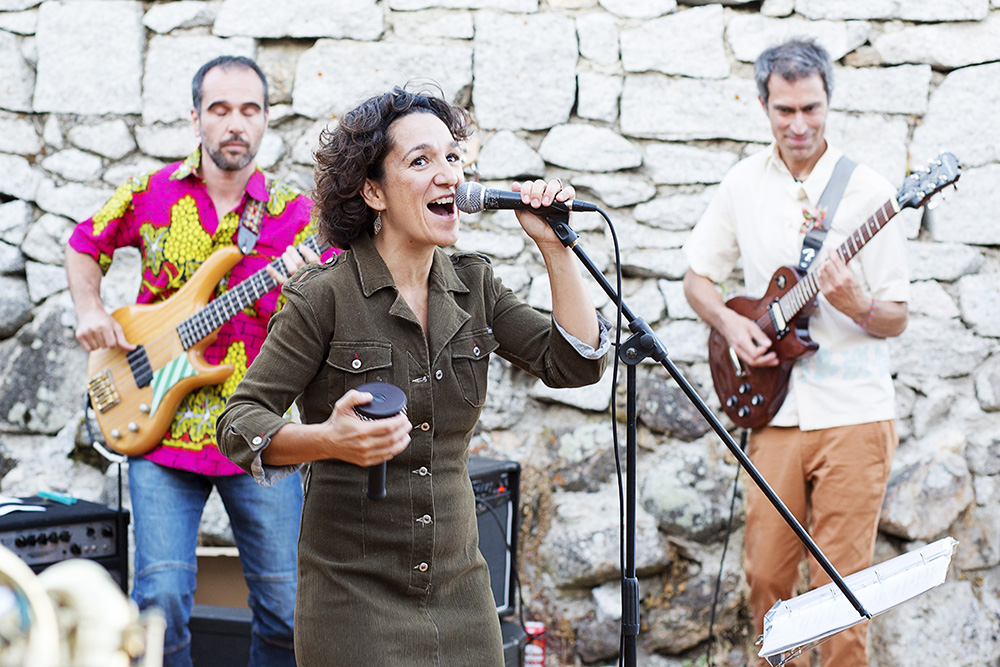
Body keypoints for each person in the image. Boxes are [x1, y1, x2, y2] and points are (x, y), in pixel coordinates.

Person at [216, 85, 610, 665]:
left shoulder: (474, 286)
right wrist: (328, 440)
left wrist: (556, 250)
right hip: (353, 601)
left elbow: (575, 362)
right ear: (373, 191)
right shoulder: (323, 296)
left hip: (462, 594)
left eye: (453, 156)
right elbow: (238, 423)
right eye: (420, 161)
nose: (448, 174)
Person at [65, 55, 327, 667]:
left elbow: (330, 306)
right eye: (220, 109)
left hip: (258, 432)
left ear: (265, 119)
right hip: (158, 425)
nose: (235, 123)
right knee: (159, 604)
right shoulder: (150, 192)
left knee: (289, 610)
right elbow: (83, 244)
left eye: (249, 110)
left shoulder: (297, 215)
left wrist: (312, 285)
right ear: (195, 117)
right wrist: (90, 309)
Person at [682, 40, 909, 667]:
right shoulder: (741, 184)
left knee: (844, 591)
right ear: (764, 105)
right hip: (774, 412)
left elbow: (896, 315)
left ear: (828, 102)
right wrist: (731, 325)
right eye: (785, 110)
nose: (800, 124)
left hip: (855, 414)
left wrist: (856, 304)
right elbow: (698, 280)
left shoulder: (871, 192)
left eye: (811, 108)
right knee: (767, 580)